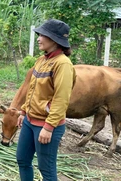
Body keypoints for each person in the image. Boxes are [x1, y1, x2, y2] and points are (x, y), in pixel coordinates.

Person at [16, 19, 76, 181]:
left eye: (42, 35)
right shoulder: (42, 60)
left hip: (47, 125)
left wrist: (49, 127)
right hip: (30, 121)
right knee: (22, 159)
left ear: (54, 40)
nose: (38, 38)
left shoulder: (63, 64)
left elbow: (61, 99)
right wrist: (23, 110)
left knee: (46, 169)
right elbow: (32, 89)